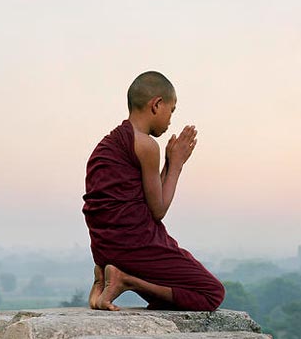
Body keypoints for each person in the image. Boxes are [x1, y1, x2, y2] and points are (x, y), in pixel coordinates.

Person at [82, 71, 225, 312]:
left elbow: (144, 200)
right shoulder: (145, 144)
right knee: (211, 293)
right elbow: (157, 210)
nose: (170, 120)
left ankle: (105, 278)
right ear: (157, 105)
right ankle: (126, 279)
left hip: (104, 248)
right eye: (172, 110)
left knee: (167, 298)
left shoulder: (109, 143)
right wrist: (177, 165)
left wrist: (168, 163)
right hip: (134, 246)